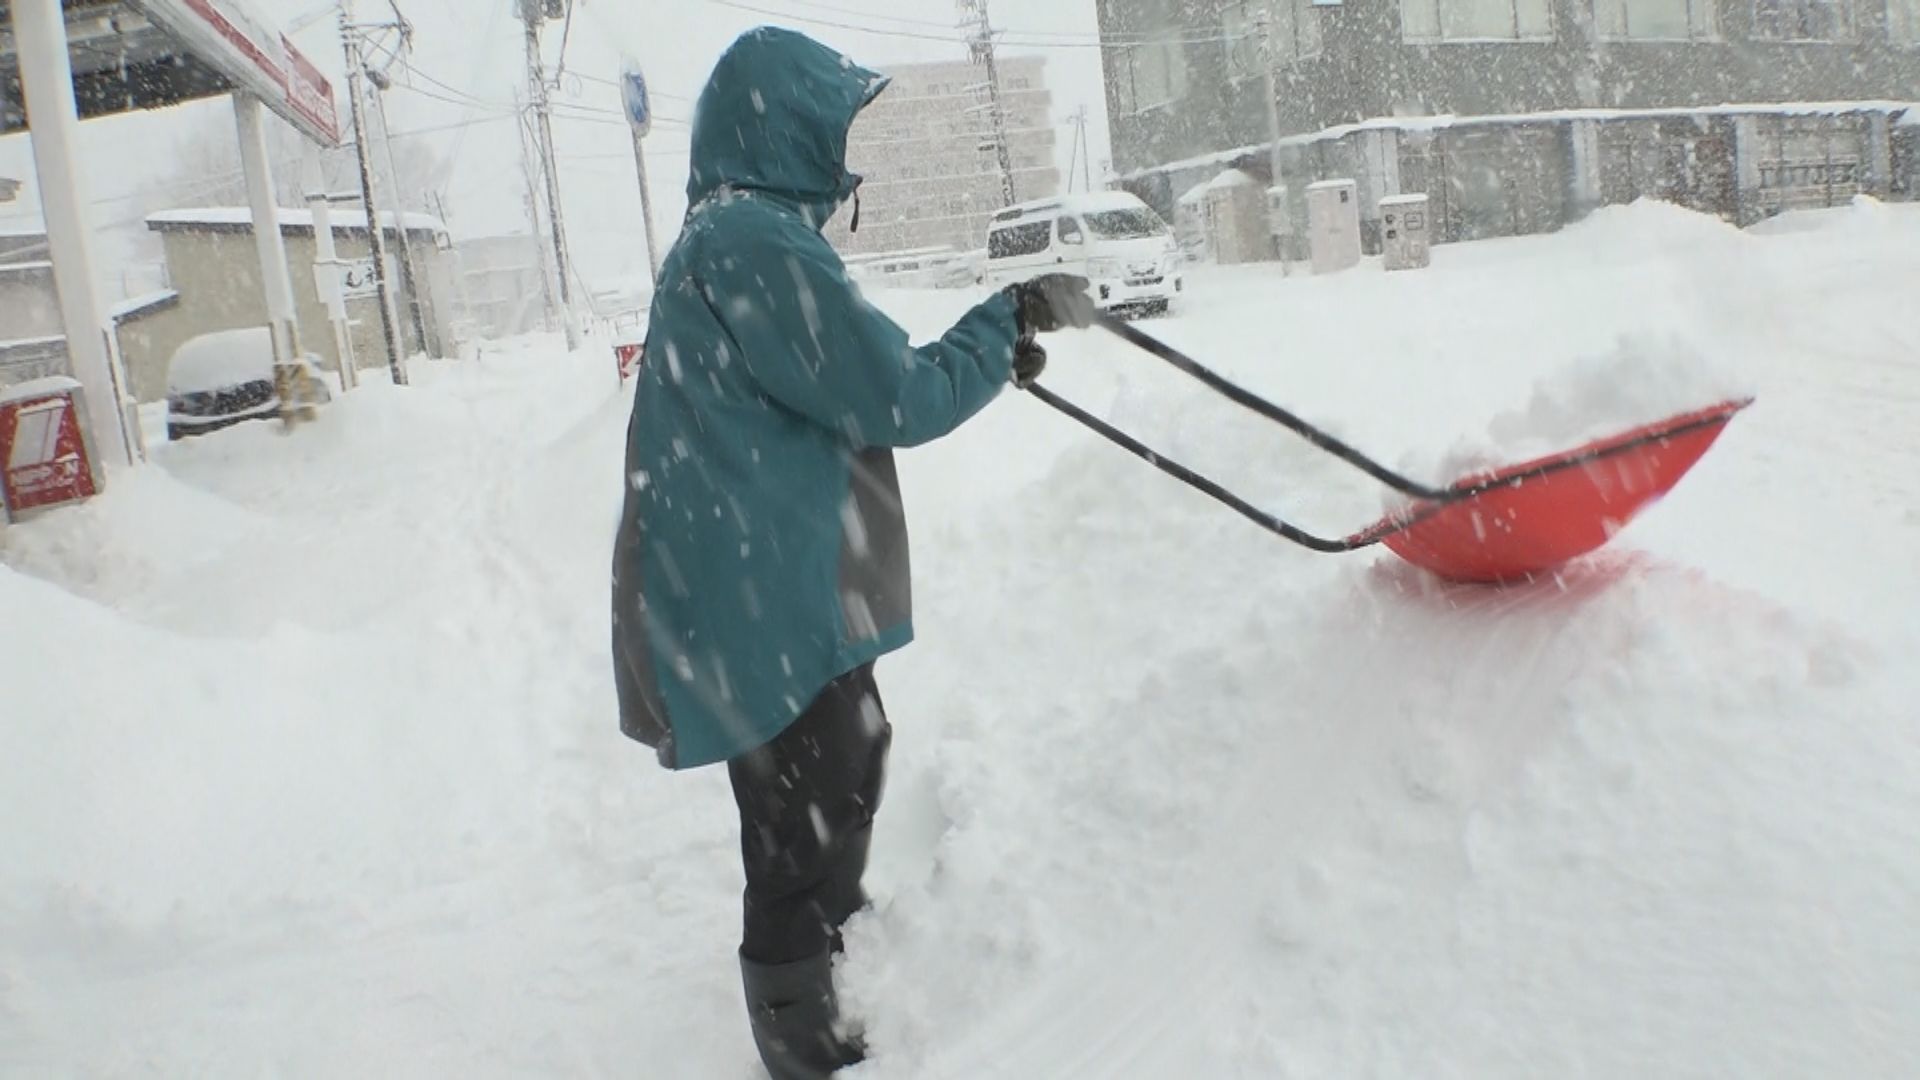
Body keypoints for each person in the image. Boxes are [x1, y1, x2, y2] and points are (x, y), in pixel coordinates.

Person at [609, 26, 1096, 1080]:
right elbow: (894, 394)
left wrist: (994, 341)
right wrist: (1000, 322)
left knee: (837, 777)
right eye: (831, 131)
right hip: (763, 600)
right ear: (782, 130)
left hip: (756, 589)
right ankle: (806, 1044)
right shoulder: (753, 243)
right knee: (804, 820)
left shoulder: (729, 235)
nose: (844, 158)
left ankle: (835, 968)